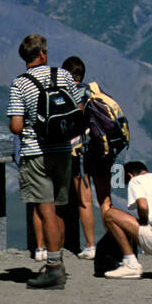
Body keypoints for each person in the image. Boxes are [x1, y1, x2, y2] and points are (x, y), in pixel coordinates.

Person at [8, 33, 82, 290]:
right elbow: (78, 109)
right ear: (43, 54)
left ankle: (53, 268)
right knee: (59, 209)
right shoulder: (62, 75)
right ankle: (57, 259)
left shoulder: (20, 84)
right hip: (63, 149)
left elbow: (16, 126)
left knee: (45, 210)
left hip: (35, 151)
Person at [60, 55, 97, 260]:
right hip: (90, 148)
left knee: (77, 199)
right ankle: (91, 244)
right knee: (87, 199)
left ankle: (56, 246)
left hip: (71, 149)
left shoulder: (67, 91)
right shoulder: (90, 91)